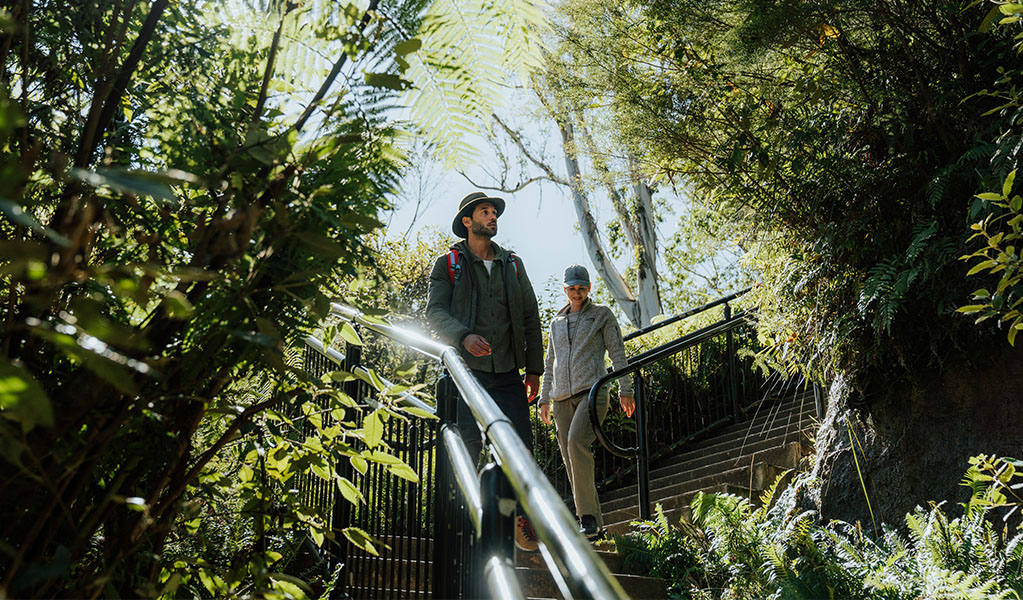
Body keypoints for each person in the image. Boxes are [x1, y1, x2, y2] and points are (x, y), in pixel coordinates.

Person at [426, 191, 544, 552]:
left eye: (494, 212)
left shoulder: (513, 265)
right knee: (467, 447)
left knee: (519, 448)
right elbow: (435, 313)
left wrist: (534, 370)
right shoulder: (448, 263)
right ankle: (465, 523)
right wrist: (463, 336)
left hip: (508, 373)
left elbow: (530, 317)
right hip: (467, 375)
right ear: (467, 221)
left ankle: (519, 519)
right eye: (485, 212)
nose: (493, 217)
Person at [538, 264, 636, 540]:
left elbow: (617, 353)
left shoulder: (601, 316)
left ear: (589, 288)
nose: (577, 293)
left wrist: (624, 389)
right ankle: (596, 526)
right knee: (571, 458)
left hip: (592, 393)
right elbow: (549, 363)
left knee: (576, 444)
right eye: (572, 289)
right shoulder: (556, 322)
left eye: (581, 288)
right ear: (565, 289)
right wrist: (545, 398)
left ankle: (587, 518)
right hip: (561, 399)